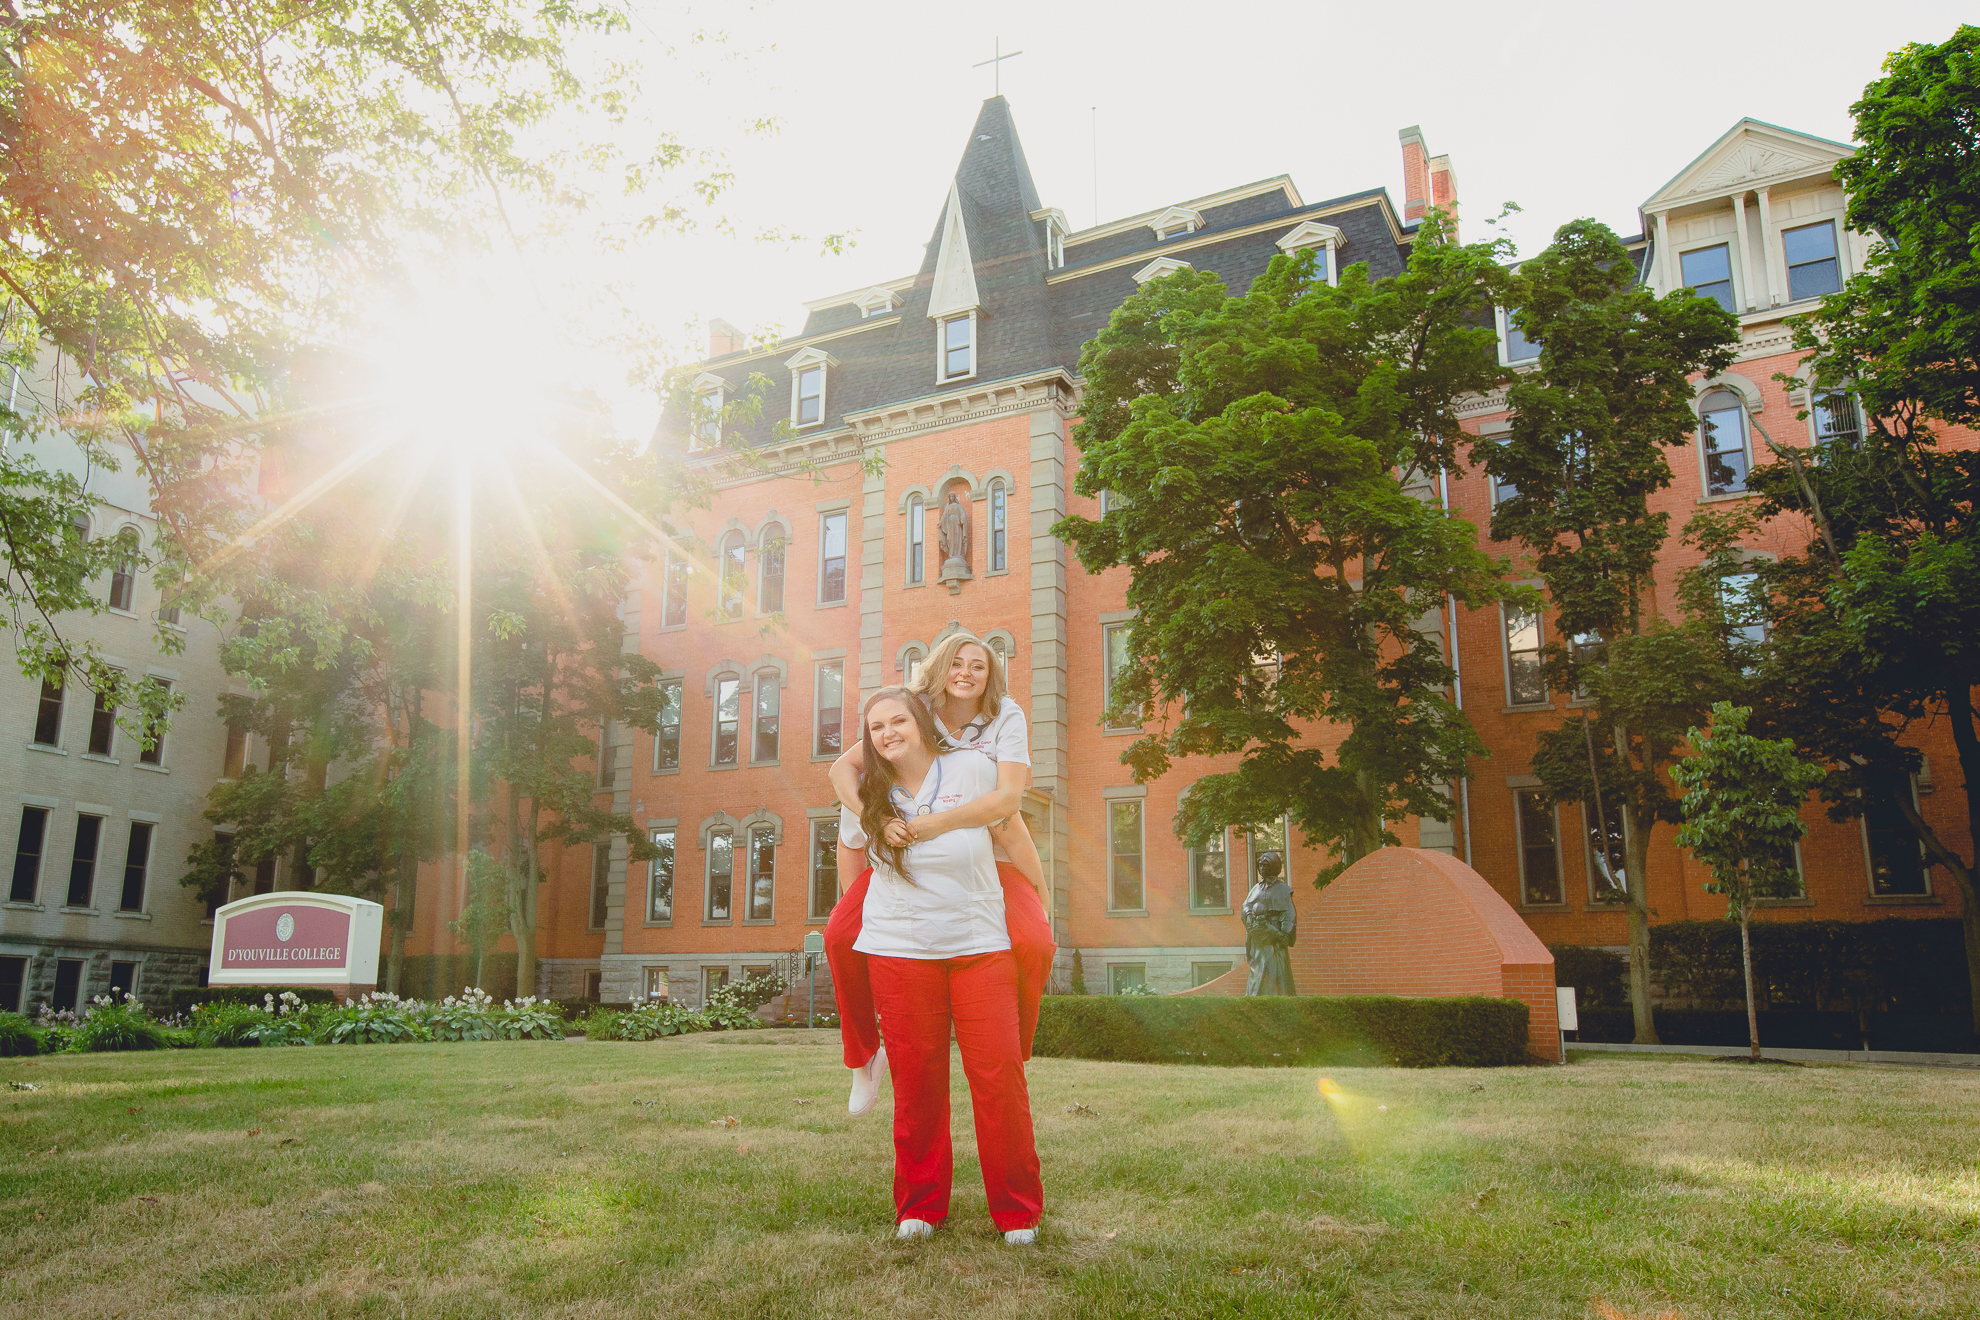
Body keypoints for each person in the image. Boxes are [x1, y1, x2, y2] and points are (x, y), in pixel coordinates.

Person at [841, 685, 1043, 1244]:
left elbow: (1011, 830)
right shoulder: (864, 790)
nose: (887, 733)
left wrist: (1040, 901)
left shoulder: (972, 769)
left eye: (897, 721)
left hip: (980, 944)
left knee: (999, 1077)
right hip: (900, 950)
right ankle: (920, 1207)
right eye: (876, 726)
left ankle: (1017, 1210)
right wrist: (863, 911)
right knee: (916, 1083)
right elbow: (849, 848)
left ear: (922, 723)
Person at [824, 633, 1055, 1115]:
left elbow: (1009, 809)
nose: (966, 673)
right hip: (904, 868)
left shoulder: (1004, 717)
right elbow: (841, 772)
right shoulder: (913, 714)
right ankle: (864, 1056)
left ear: (992, 675)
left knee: (1036, 940)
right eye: (956, 663)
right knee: (840, 936)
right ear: (938, 669)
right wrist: (875, 817)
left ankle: (1016, 1048)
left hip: (986, 853)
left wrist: (1039, 888)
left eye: (979, 665)